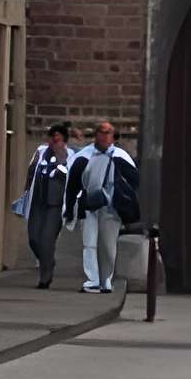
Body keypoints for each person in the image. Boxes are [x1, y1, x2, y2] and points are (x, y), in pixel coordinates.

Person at [66, 119, 139, 294]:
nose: (104, 136)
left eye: (108, 132)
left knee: (108, 244)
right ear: (96, 135)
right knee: (89, 244)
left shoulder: (120, 157)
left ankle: (106, 279)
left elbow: (135, 180)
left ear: (113, 137)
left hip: (111, 207)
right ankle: (92, 280)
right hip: (89, 206)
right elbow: (73, 185)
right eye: (101, 132)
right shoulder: (84, 157)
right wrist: (69, 209)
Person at [14, 123, 74, 290]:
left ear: (64, 141)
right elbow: (31, 171)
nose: (54, 143)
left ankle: (45, 278)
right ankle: (47, 261)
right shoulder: (40, 152)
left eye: (58, 140)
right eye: (52, 139)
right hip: (37, 202)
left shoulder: (70, 156)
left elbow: (72, 179)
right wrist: (26, 192)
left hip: (55, 205)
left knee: (47, 241)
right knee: (34, 239)